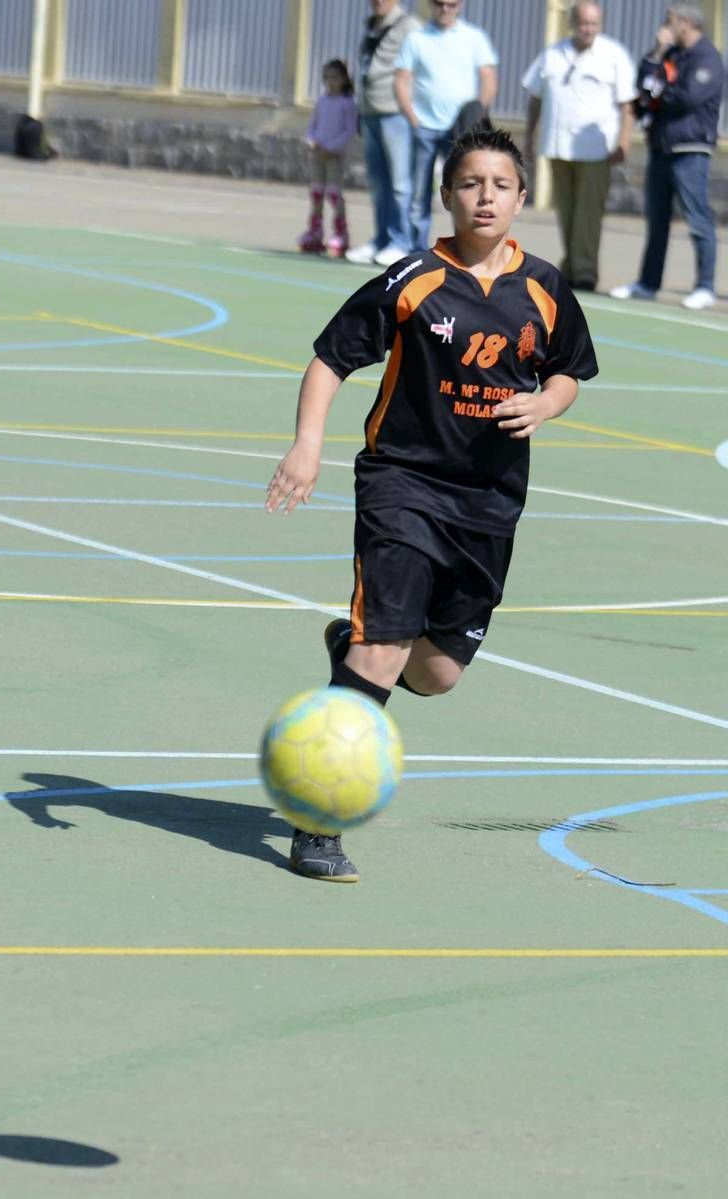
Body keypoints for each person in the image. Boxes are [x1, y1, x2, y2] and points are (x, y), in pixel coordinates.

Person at [265, 128, 599, 882]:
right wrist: (307, 443)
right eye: (471, 183)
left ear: (521, 197)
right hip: (403, 485)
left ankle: (353, 659)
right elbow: (331, 357)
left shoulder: (543, 287)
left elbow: (570, 373)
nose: (486, 195)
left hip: (489, 504)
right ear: (447, 196)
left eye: (501, 184)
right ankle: (318, 819)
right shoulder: (413, 278)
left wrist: (545, 403)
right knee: (381, 648)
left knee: (438, 673)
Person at [610, 2, 725, 310]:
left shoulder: (707, 58)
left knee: (697, 218)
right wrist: (656, 54)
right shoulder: (671, 54)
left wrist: (657, 93)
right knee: (657, 220)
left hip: (690, 150)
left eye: (670, 21)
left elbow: (687, 97)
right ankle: (648, 283)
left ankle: (704, 286)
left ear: (685, 23)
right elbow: (642, 89)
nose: (665, 25)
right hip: (660, 148)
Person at [522, 2, 636, 292]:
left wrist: (624, 140)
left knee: (588, 213)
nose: (588, 29)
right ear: (571, 23)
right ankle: (571, 267)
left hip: (596, 150)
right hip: (557, 146)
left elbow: (627, 106)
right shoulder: (552, 54)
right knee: (567, 211)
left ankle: (585, 272)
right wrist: (529, 136)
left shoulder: (613, 55)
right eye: (584, 23)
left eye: (594, 24)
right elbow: (536, 98)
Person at [394, 0, 498, 250]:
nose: (445, 9)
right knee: (419, 195)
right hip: (424, 128)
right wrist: (411, 116)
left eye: (451, 4)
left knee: (464, 192)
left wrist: (477, 112)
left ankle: (464, 249)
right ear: (431, 5)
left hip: (461, 130)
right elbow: (401, 79)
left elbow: (489, 77)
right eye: (440, 4)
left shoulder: (474, 37)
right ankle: (416, 249)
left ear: (460, 5)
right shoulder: (417, 38)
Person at [346, 0, 422, 267]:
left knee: (401, 184)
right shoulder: (371, 26)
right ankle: (381, 239)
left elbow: (417, 68)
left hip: (395, 113)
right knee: (379, 184)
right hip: (369, 112)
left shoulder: (408, 25)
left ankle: (402, 242)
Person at [298, 59, 358, 257]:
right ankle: (315, 232)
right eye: (326, 78)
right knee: (316, 193)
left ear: (343, 79)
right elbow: (312, 126)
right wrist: (312, 141)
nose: (330, 82)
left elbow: (349, 131)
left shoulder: (347, 103)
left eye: (335, 78)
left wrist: (332, 148)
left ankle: (341, 233)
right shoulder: (322, 101)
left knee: (333, 194)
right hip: (317, 154)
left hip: (334, 156)